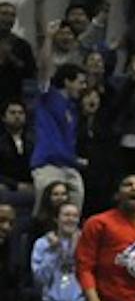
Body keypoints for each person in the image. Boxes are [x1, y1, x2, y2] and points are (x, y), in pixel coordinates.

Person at [31, 62, 86, 210]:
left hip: (69, 165)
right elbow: (43, 68)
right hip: (47, 164)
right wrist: (48, 39)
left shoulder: (73, 108)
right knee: (45, 209)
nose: (84, 87)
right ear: (67, 81)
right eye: (80, 82)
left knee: (74, 207)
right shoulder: (48, 97)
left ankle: (70, 233)